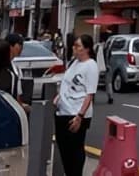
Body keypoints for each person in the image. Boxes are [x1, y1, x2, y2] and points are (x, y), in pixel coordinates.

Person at [54, 35, 99, 176]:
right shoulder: (74, 62)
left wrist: (80, 116)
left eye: (78, 46)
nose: (74, 48)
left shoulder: (91, 65)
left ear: (87, 49)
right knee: (64, 148)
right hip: (63, 110)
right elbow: (67, 83)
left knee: (74, 150)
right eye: (74, 45)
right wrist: (59, 97)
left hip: (76, 113)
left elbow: (89, 94)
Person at [5, 33, 26, 105]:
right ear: (10, 46)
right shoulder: (2, 66)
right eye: (19, 44)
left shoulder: (16, 67)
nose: (21, 48)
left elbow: (18, 94)